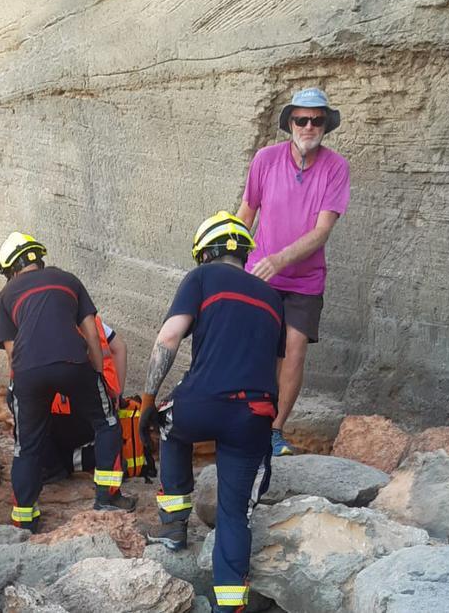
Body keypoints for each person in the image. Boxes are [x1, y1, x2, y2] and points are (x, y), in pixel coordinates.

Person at [140, 211, 286, 612]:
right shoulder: (274, 298)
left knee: (170, 427)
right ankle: (229, 606)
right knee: (235, 514)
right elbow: (276, 372)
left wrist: (148, 404)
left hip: (200, 404)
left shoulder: (200, 279)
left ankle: (173, 529)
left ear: (204, 254)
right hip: (253, 413)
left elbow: (169, 338)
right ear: (244, 254)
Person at [0, 232, 136, 531]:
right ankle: (107, 497)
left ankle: (24, 517)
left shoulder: (5, 296)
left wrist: (19, 390)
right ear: (39, 259)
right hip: (74, 363)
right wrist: (97, 374)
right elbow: (93, 334)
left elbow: (12, 352)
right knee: (107, 421)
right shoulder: (68, 280)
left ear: (11, 269)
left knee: (26, 447)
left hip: (28, 373)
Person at [236, 87, 351, 456]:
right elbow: (246, 212)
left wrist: (280, 260)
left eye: (317, 120)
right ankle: (246, 421)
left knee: (295, 349)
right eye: (301, 119)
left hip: (304, 279)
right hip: (259, 273)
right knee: (256, 350)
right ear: (289, 123)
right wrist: (231, 260)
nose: (308, 126)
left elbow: (322, 231)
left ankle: (274, 429)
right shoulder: (266, 159)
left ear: (325, 125)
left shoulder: (336, 167)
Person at [43, 314, 153, 483]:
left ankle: (67, 463)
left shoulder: (43, 321)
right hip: (100, 410)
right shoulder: (91, 319)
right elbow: (120, 347)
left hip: (63, 415)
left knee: (33, 434)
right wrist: (117, 393)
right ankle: (102, 458)